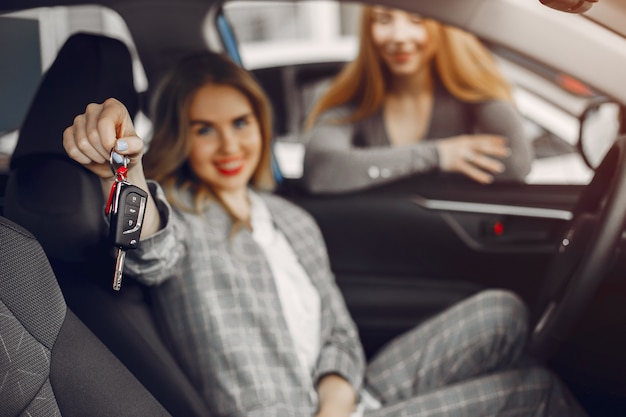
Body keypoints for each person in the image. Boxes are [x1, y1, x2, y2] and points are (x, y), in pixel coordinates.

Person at [63, 51, 586, 417]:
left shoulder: (291, 219)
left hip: (340, 399)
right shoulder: (180, 210)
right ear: (181, 136)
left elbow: (338, 332)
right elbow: (152, 252)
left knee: (505, 312)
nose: (229, 145)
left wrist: (336, 400)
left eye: (241, 122)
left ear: (262, 126)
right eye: (205, 129)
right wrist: (124, 176)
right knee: (535, 392)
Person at [302, 5, 534, 194]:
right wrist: (438, 155)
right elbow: (322, 169)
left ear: (444, 26)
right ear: (368, 29)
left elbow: (517, 163)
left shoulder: (472, 93)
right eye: (384, 20)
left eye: (417, 19)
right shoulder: (353, 100)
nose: (400, 36)